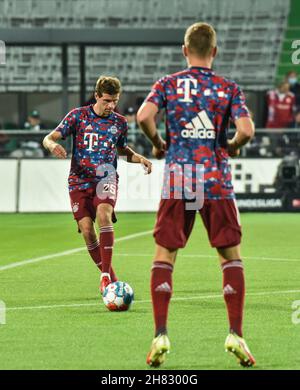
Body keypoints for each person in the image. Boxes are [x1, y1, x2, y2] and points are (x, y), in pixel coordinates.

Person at [137, 22, 256, 368]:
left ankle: (160, 334)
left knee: (166, 253)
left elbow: (144, 115)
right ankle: (235, 333)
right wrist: (231, 145)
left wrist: (159, 144)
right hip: (215, 177)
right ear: (214, 52)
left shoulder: (168, 84)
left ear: (184, 50)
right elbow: (246, 130)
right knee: (229, 255)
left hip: (180, 175)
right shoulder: (227, 87)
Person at [43, 76, 152, 294]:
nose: (111, 106)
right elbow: (49, 137)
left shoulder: (119, 122)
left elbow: (121, 150)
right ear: (96, 96)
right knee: (86, 230)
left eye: (115, 101)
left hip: (106, 177)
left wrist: (139, 158)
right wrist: (52, 145)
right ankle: (112, 279)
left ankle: (104, 278)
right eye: (107, 101)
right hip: (79, 180)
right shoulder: (78, 116)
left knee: (103, 214)